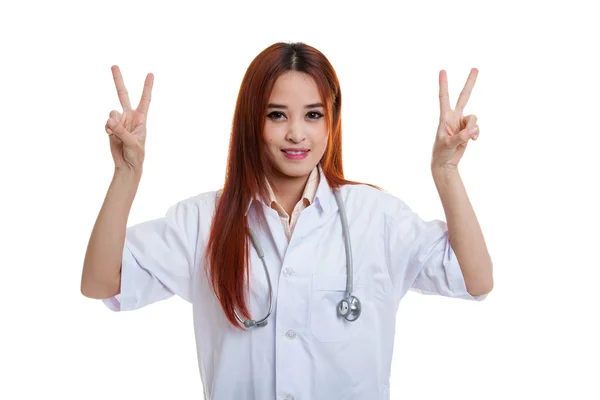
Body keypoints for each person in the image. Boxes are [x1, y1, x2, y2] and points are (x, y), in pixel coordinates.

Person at [81, 41, 493, 400]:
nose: (296, 133)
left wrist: (446, 173)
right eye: (277, 115)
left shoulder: (375, 216)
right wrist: (125, 174)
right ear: (251, 122)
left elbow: (474, 279)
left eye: (313, 115)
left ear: (332, 120)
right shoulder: (203, 221)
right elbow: (101, 282)